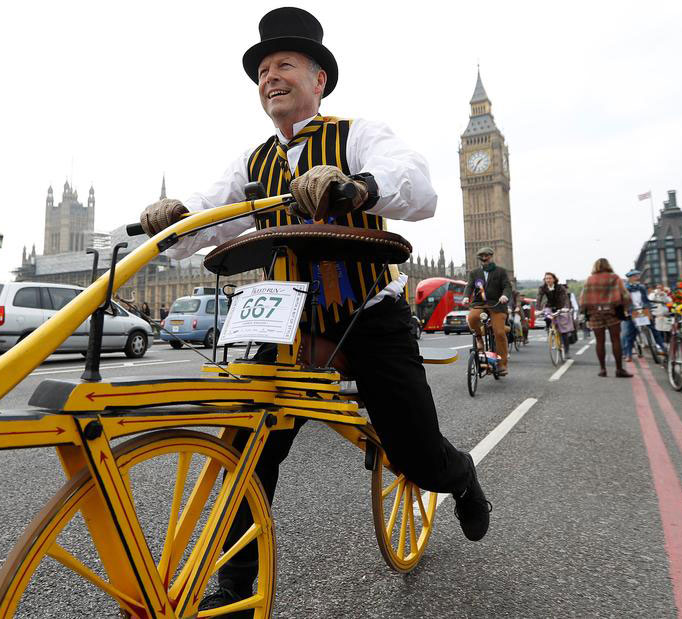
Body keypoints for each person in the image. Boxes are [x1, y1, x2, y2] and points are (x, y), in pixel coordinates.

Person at [137, 7, 491, 613]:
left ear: (318, 79)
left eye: (284, 65)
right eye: (262, 72)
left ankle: (458, 476)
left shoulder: (357, 134)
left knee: (415, 454)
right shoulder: (253, 162)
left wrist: (359, 187)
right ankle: (235, 586)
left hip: (369, 313)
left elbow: (417, 184)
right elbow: (208, 212)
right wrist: (174, 219)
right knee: (252, 440)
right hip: (292, 319)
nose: (270, 78)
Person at [461, 247, 513, 375]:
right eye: (482, 257)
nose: (484, 258)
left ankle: (502, 364)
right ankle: (479, 338)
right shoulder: (474, 273)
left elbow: (507, 286)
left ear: (491, 256)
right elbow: (469, 286)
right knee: (472, 318)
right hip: (480, 304)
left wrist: (504, 296)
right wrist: (466, 297)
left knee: (499, 332)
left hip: (497, 304)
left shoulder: (500, 271)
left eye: (486, 256)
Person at [579, 258, 632, 377]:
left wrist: (584, 312)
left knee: (600, 341)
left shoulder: (590, 279)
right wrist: (626, 308)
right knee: (616, 340)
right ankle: (619, 369)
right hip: (613, 313)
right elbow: (625, 296)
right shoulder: (615, 278)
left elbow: (583, 299)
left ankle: (602, 369)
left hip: (595, 314)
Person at [621, 269, 664, 362]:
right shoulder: (625, 289)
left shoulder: (642, 287)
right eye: (635, 276)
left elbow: (646, 300)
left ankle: (662, 347)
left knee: (654, 330)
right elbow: (623, 301)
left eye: (638, 276)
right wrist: (625, 310)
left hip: (644, 310)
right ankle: (628, 354)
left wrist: (650, 306)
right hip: (632, 311)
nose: (638, 278)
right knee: (630, 334)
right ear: (630, 278)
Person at [535, 272, 572, 354]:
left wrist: (566, 308)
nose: (548, 280)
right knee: (547, 316)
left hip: (560, 306)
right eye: (546, 278)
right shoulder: (542, 288)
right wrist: (537, 309)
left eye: (550, 278)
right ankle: (550, 329)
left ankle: (567, 351)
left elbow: (565, 298)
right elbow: (539, 298)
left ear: (554, 279)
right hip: (549, 306)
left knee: (563, 330)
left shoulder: (560, 287)